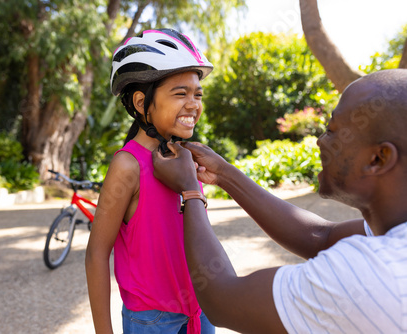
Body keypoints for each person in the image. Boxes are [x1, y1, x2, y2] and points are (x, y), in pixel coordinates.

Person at [152, 69, 407, 333]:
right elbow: (320, 236)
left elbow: (222, 299)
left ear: (379, 158)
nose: (320, 141)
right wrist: (224, 174)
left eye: (332, 131)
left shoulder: (375, 276)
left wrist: (190, 191)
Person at [85, 28, 215, 334]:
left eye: (198, 94)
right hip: (153, 321)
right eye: (180, 93)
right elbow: (97, 253)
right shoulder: (127, 165)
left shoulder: (185, 157)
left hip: (201, 308)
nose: (194, 104)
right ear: (142, 103)